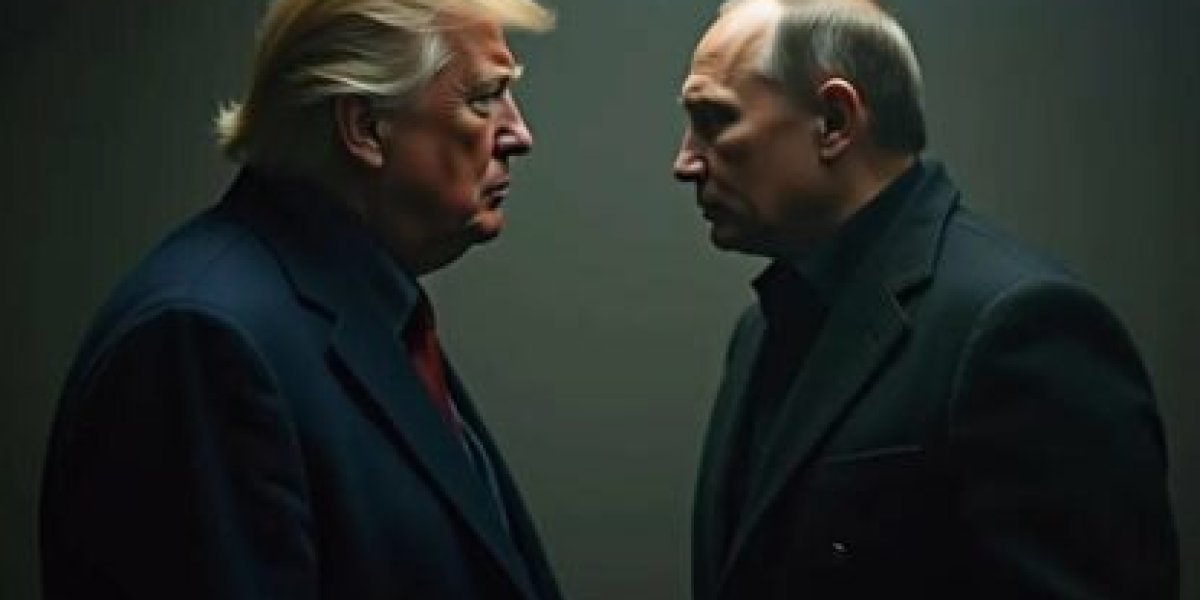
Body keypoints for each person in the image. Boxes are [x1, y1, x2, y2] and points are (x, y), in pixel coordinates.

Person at [39, 1, 561, 598]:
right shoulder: (204, 340)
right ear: (364, 128)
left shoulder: (363, 309)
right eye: (485, 98)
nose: (519, 135)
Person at [673, 1, 1178, 598]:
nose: (686, 162)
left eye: (714, 121)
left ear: (834, 121)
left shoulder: (1018, 325)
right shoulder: (760, 328)